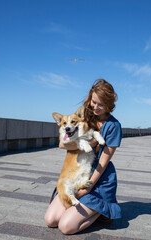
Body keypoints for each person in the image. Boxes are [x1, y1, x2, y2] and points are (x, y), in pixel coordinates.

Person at [44, 79, 122, 235]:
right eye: (93, 102)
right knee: (50, 220)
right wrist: (90, 143)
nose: (95, 107)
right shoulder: (84, 114)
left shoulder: (113, 126)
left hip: (98, 180)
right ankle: (85, 211)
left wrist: (88, 187)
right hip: (76, 174)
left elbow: (103, 162)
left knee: (66, 227)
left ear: (109, 105)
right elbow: (62, 143)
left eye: (101, 104)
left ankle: (101, 210)